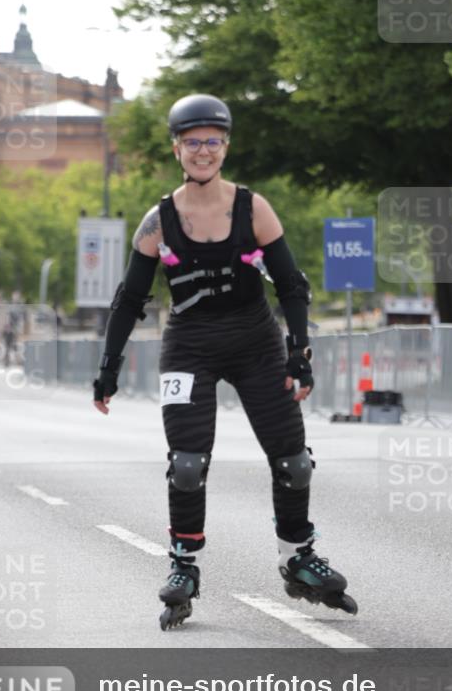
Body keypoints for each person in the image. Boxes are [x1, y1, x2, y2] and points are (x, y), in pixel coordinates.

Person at [93, 94, 357, 630]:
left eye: (213, 141)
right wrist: (108, 368)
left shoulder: (252, 208)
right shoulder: (159, 221)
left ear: (226, 146)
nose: (203, 151)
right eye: (193, 142)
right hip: (188, 346)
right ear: (177, 149)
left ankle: (298, 557)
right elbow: (128, 300)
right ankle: (184, 566)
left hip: (256, 342)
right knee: (188, 465)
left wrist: (299, 352)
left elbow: (291, 285)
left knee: (293, 460)